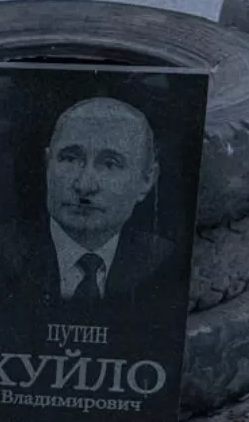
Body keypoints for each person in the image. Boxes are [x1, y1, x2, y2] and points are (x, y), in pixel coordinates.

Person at [39, 97, 175, 311]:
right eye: (70, 159)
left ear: (146, 180)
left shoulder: (163, 261)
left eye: (110, 164)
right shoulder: (2, 254)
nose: (84, 185)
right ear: (48, 165)